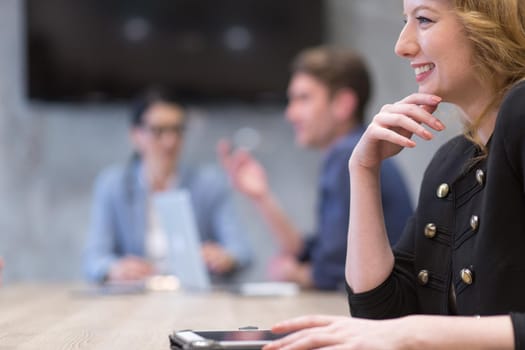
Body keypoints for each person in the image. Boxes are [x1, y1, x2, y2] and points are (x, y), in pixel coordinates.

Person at [263, 0, 525, 349]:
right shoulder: (453, 160)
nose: (402, 46)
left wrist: (413, 332)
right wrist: (364, 169)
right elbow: (380, 317)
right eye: (405, 21)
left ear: (487, 23)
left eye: (425, 20)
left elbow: (398, 331)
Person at [219, 46, 413, 290]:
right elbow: (316, 253)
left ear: (343, 104)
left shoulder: (348, 155)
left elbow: (331, 273)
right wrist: (261, 196)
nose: (291, 113)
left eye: (303, 99)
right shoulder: (351, 152)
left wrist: (295, 273)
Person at [84, 91, 251, 283]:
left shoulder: (208, 184)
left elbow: (242, 251)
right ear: (136, 135)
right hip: (135, 297)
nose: (170, 142)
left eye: (177, 130)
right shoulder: (113, 185)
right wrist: (114, 268)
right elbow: (93, 259)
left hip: (197, 297)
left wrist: (225, 257)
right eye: (158, 131)